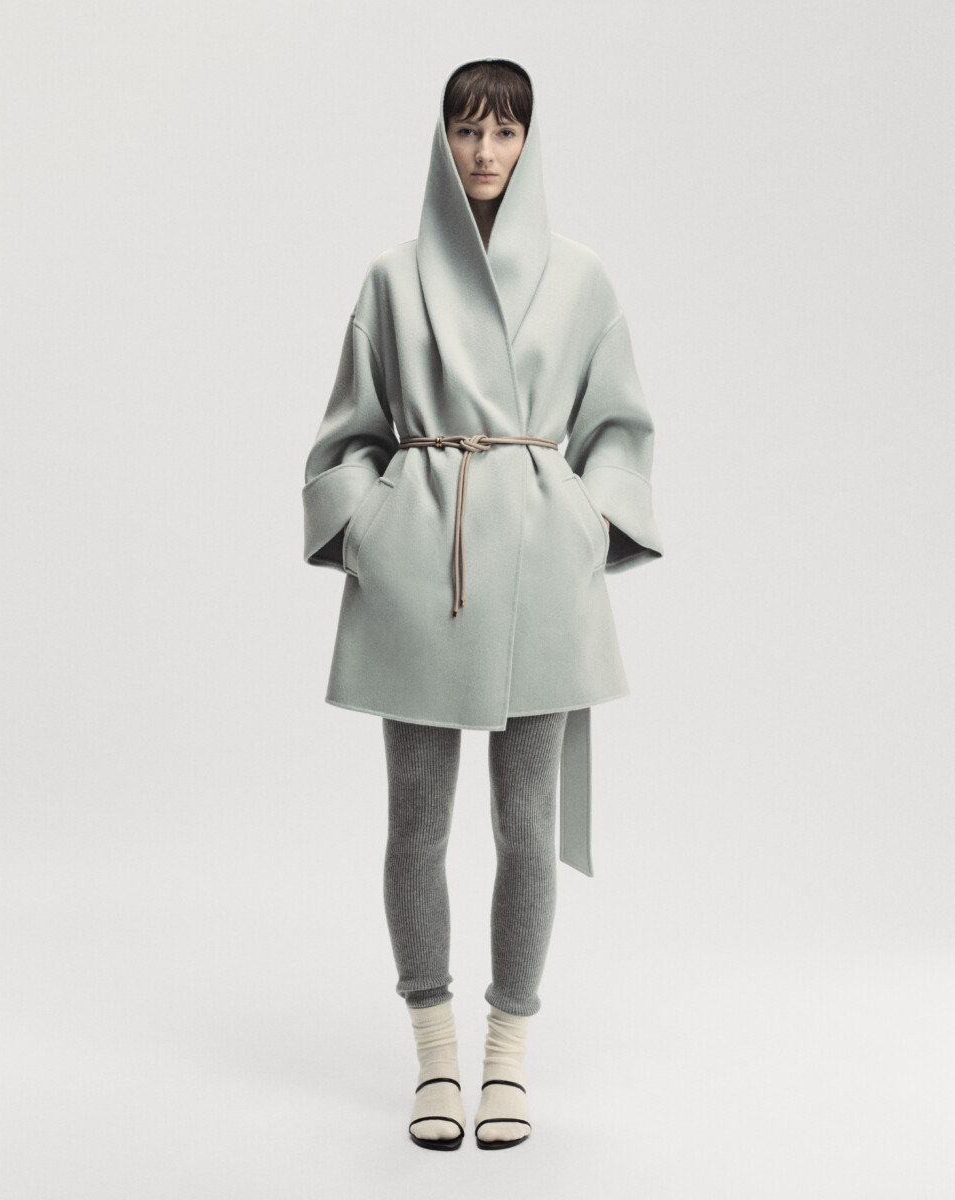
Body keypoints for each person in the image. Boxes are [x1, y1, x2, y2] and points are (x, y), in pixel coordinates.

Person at [301, 58, 663, 1151]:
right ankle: (434, 1055)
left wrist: (587, 522)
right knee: (416, 822)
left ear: (530, 141)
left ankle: (506, 1057)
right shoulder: (391, 278)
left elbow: (620, 427)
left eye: (505, 131)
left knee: (526, 824)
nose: (486, 151)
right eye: (467, 129)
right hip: (423, 565)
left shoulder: (581, 278)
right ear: (442, 141)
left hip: (540, 570)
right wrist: (372, 527)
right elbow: (346, 436)